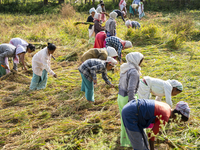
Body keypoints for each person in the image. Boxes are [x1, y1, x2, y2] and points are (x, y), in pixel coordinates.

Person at [122, 100, 190, 150]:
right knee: (139, 145)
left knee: (144, 141)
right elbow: (151, 135)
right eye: (181, 120)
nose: (178, 122)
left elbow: (153, 131)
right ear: (177, 115)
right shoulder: (165, 116)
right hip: (131, 114)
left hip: (134, 108)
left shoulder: (168, 108)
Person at [117, 52, 144, 147]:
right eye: (140, 61)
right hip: (128, 99)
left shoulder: (124, 68)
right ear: (136, 60)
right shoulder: (133, 72)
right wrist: (132, 103)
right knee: (131, 122)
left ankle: (123, 140)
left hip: (120, 97)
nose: (141, 63)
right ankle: (129, 142)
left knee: (123, 119)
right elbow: (131, 89)